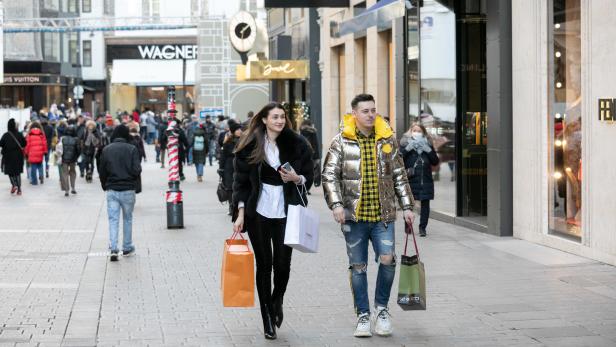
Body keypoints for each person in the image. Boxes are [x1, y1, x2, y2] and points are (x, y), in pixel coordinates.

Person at [321, 94, 415, 338]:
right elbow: (329, 175)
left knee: (387, 259)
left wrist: (407, 206)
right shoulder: (340, 142)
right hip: (353, 218)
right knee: (358, 266)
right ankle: (363, 315)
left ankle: (381, 310)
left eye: (374, 110)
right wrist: (336, 204)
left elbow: (399, 175)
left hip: (382, 216)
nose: (371, 114)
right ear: (354, 114)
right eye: (365, 111)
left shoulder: (387, 140)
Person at [232, 102, 314, 340]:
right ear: (265, 120)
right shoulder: (250, 145)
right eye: (275, 117)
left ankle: (277, 299)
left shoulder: (297, 144)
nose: (279, 120)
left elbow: (309, 177)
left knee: (283, 265)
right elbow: (240, 182)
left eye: (282, 117)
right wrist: (239, 213)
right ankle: (267, 318)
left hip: (287, 210)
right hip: (258, 211)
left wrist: (296, 178)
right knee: (264, 266)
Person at [98, 125, 142, 262]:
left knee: (113, 220)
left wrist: (105, 185)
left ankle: (113, 248)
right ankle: (127, 247)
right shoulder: (132, 149)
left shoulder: (106, 150)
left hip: (112, 189)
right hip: (128, 189)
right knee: (127, 219)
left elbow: (102, 170)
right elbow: (137, 169)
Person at [400, 123, 439, 237]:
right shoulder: (405, 143)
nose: (416, 133)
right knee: (409, 205)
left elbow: (435, 161)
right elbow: (399, 158)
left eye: (419, 131)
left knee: (425, 205)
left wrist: (428, 150)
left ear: (423, 133)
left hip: (425, 180)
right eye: (414, 130)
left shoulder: (428, 144)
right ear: (410, 132)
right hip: (410, 180)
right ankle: (408, 227)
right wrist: (408, 148)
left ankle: (422, 228)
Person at [219, 122, 242, 214]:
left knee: (239, 187)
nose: (240, 131)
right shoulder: (227, 142)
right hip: (229, 167)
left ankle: (238, 207)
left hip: (240, 167)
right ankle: (232, 207)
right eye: (237, 129)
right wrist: (221, 169)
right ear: (233, 131)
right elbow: (223, 156)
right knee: (230, 187)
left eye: (240, 129)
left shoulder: (244, 141)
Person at [0, 119, 27, 195]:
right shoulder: (19, 134)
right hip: (18, 156)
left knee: (10, 172)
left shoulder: (6, 135)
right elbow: (24, 144)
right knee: (17, 172)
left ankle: (14, 184)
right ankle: (19, 189)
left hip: (8, 157)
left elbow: (1, 144)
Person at [299, 119, 322, 190]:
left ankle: (305, 187)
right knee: (311, 172)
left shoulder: (301, 131)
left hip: (303, 154)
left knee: (303, 171)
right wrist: (317, 157)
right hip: (312, 154)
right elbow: (315, 144)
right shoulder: (313, 132)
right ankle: (308, 188)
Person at [58, 126, 80, 196]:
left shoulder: (62, 139)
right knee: (73, 172)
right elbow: (78, 150)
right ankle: (73, 188)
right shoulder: (76, 139)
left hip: (64, 159)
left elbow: (59, 149)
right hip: (73, 159)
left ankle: (67, 190)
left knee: (65, 173)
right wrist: (76, 157)